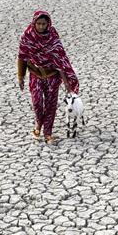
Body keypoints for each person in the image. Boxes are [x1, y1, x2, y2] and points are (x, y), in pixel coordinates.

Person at [17, 10, 80, 144]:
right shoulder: (27, 36)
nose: (41, 26)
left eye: (43, 24)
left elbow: (60, 58)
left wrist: (67, 82)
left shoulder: (52, 36)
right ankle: (38, 125)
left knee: (51, 105)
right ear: (34, 23)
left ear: (48, 24)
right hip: (36, 75)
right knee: (38, 103)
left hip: (52, 76)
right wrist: (21, 76)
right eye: (38, 24)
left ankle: (48, 133)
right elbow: (22, 57)